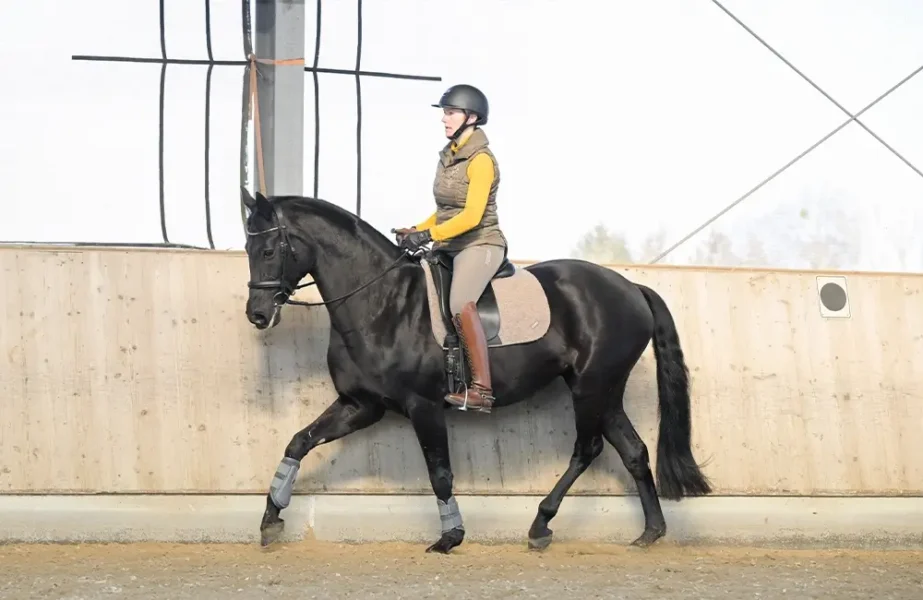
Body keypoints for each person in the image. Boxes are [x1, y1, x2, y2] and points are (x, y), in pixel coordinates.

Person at [394, 83, 507, 414]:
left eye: (451, 113)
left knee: (459, 302)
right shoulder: (448, 157)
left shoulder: (481, 160)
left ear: (471, 117)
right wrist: (418, 229)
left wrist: (429, 234)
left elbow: (471, 216)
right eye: (444, 113)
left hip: (480, 242)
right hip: (450, 242)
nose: (444, 119)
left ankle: (482, 390)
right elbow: (445, 210)